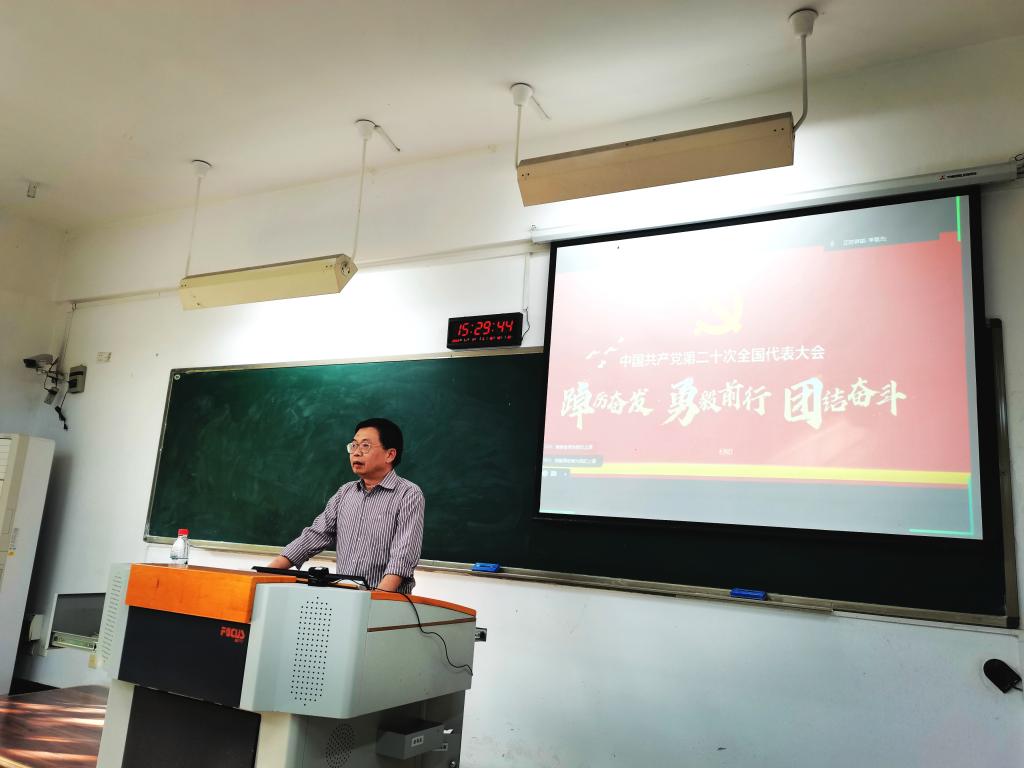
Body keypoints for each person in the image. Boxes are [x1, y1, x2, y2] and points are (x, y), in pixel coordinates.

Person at [266, 417, 424, 593]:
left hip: (387, 603)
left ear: (390, 454)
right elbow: (314, 536)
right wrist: (264, 574)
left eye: (365, 446)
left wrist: (377, 599)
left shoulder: (408, 494)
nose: (356, 453)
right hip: (344, 597)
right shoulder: (345, 493)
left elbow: (403, 556)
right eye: (354, 445)